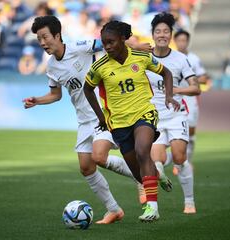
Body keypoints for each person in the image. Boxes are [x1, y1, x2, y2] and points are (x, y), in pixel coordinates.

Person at [23, 15, 148, 225]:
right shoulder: (52, 66)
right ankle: (114, 209)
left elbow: (111, 42)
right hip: (84, 120)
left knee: (99, 157)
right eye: (39, 39)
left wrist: (137, 47)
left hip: (105, 114)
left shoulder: (79, 46)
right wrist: (37, 100)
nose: (43, 43)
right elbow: (55, 95)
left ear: (57, 35)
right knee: (86, 167)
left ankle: (142, 177)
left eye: (45, 37)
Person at [84, 20, 179, 222]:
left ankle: (152, 208)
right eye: (104, 43)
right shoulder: (99, 66)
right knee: (138, 173)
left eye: (111, 42)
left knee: (142, 150)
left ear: (123, 39)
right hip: (118, 123)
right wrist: (101, 116)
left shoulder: (141, 57)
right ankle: (157, 174)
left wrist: (169, 96)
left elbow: (166, 73)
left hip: (144, 112)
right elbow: (87, 89)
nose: (107, 47)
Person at [146, 12, 200, 214]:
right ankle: (160, 174)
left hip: (176, 114)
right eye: (158, 31)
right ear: (152, 34)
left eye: (166, 31)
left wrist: (174, 90)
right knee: (157, 161)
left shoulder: (181, 59)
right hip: (154, 117)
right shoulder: (145, 59)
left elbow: (196, 88)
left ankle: (189, 201)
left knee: (179, 157)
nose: (162, 34)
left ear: (170, 35)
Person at [174, 29, 211, 165]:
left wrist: (191, 78)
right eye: (179, 40)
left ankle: (188, 160)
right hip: (175, 97)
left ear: (188, 42)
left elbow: (204, 77)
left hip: (190, 98)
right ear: (175, 41)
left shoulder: (194, 59)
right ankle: (181, 161)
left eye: (184, 40)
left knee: (191, 131)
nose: (182, 43)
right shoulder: (171, 57)